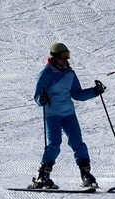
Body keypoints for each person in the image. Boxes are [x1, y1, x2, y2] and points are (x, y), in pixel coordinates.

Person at [32, 42, 106, 189]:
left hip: (68, 114)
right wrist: (42, 99)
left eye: (67, 56)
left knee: (78, 143)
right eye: (62, 57)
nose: (65, 60)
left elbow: (77, 94)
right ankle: (43, 176)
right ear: (53, 58)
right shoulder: (46, 74)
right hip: (52, 114)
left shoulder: (70, 73)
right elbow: (37, 96)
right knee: (54, 144)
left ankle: (86, 175)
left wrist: (94, 91)